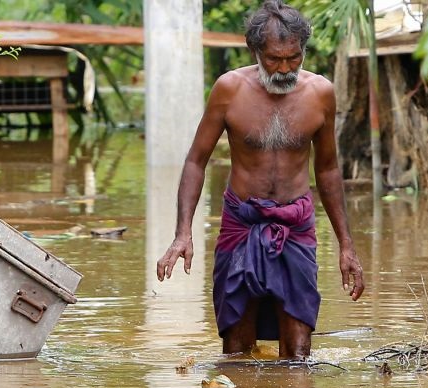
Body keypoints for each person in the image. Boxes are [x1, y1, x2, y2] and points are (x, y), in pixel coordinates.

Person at [156, 0, 364, 359]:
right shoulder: (229, 90)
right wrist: (183, 232)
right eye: (273, 59)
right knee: (236, 348)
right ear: (254, 51)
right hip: (242, 223)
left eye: (293, 58)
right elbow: (195, 161)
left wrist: (346, 245)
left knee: (299, 352)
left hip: (296, 225)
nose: (284, 68)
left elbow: (327, 169)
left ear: (303, 50)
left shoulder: (320, 94)